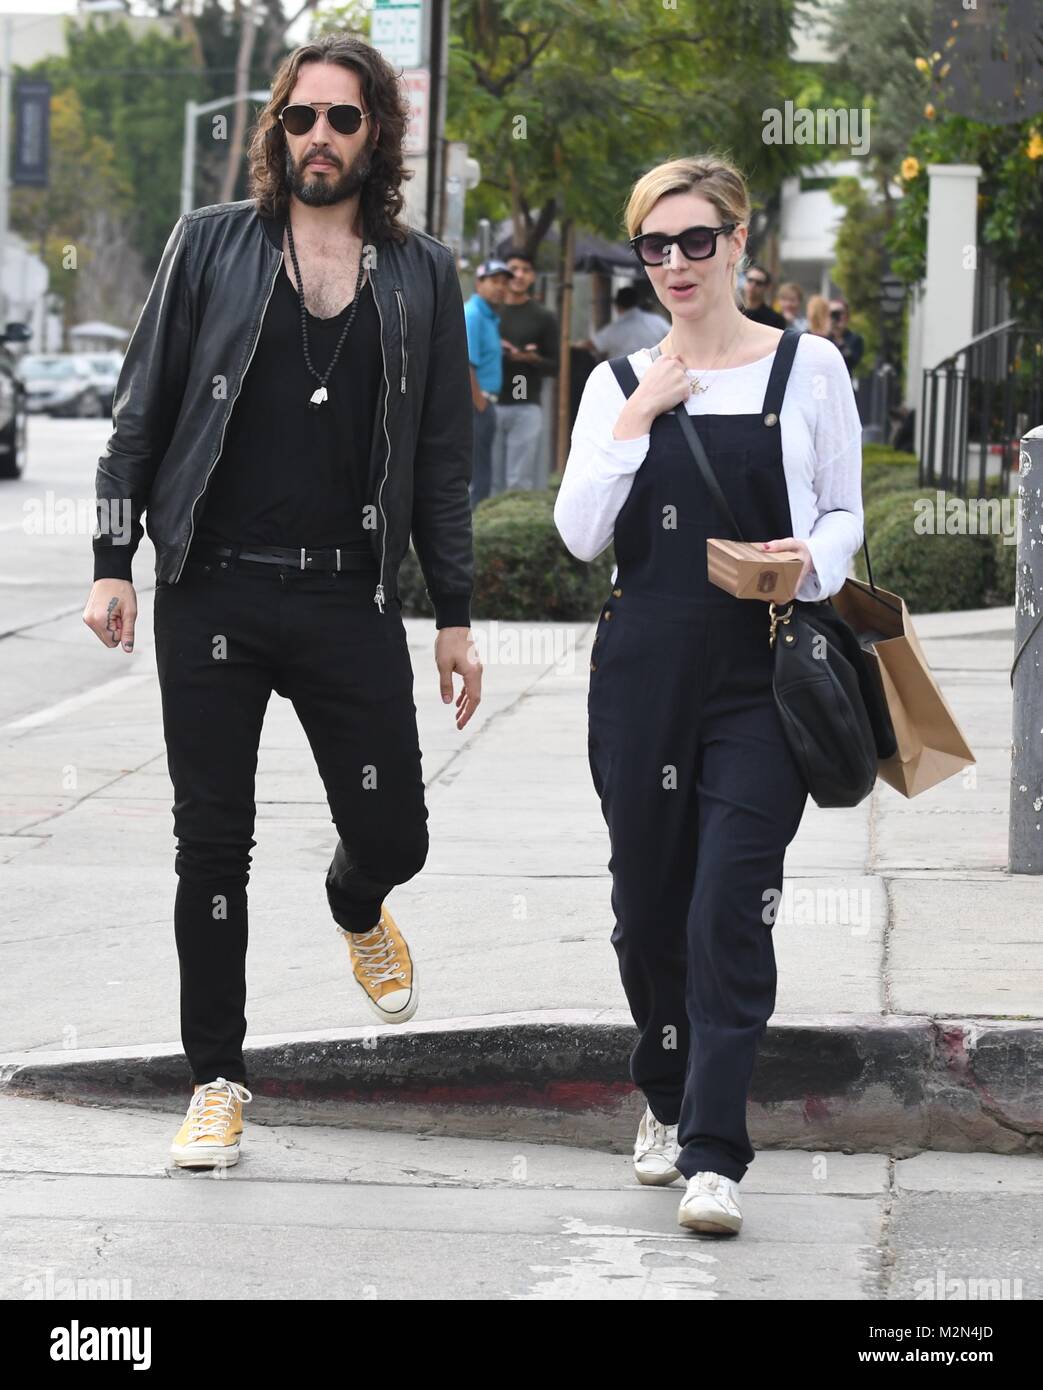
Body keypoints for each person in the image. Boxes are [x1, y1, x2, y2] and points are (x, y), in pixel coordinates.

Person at [82, 32, 483, 1170]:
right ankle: (216, 1078)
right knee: (211, 845)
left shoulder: (420, 272)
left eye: (341, 120)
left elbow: (442, 462)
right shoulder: (210, 246)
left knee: (394, 831)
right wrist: (112, 563)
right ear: (276, 131)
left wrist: (452, 613)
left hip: (344, 601)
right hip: (209, 593)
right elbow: (138, 418)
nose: (318, 137)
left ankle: (357, 906)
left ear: (376, 136)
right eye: (299, 118)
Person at [554, 153, 863, 1237]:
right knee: (645, 912)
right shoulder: (611, 381)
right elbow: (579, 534)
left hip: (759, 670)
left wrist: (805, 564)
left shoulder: (809, 367)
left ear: (739, 243)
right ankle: (662, 1090)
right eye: (655, 245)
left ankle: (713, 1151)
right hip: (640, 666)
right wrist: (637, 415)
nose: (676, 263)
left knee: (728, 900)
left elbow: (842, 514)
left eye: (697, 240)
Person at [491, 249, 558, 493]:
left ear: (533, 277)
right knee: (488, 479)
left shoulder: (543, 316)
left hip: (526, 403)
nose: (519, 275)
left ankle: (513, 529)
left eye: (526, 270)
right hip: (489, 403)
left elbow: (554, 365)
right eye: (514, 269)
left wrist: (532, 358)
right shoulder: (489, 312)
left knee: (519, 481)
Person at [464, 258, 512, 506]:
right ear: (478, 283)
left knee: (483, 476)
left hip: (482, 404)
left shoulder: (489, 317)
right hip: (475, 405)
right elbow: (465, 364)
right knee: (477, 481)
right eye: (494, 281)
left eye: (504, 283)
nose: (500, 287)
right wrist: (480, 404)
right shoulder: (473, 314)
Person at [581, 284, 670, 360]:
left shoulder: (614, 329)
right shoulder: (657, 321)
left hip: (623, 376)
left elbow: (592, 345)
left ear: (617, 306)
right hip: (655, 372)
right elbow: (672, 336)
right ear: (636, 302)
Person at [741, 263, 786, 328]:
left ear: (767, 287)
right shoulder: (733, 312)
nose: (753, 285)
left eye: (759, 283)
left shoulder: (776, 320)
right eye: (750, 280)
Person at [829, 298, 865, 376]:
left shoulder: (855, 339)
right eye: (833, 313)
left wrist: (838, 336)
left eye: (839, 313)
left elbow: (851, 362)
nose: (836, 316)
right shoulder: (822, 337)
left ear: (847, 316)